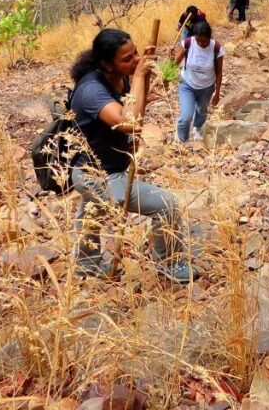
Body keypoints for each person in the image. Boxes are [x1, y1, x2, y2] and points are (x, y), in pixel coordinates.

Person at [68, 28, 193, 282]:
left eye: (135, 53)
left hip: (104, 168)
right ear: (106, 63)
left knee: (91, 213)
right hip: (96, 175)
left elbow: (136, 99)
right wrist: (138, 76)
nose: (134, 60)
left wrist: (147, 74)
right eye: (127, 59)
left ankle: (85, 265)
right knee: (165, 205)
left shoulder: (120, 77)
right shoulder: (91, 89)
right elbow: (129, 122)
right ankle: (169, 263)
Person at [173, 19, 223, 142]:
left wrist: (217, 93)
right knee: (186, 116)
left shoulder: (216, 48)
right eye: (198, 40)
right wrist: (170, 57)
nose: (200, 43)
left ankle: (198, 127)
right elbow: (174, 63)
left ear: (209, 37)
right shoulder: (188, 43)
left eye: (204, 41)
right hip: (187, 84)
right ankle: (182, 139)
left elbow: (219, 72)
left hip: (206, 87)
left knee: (202, 110)